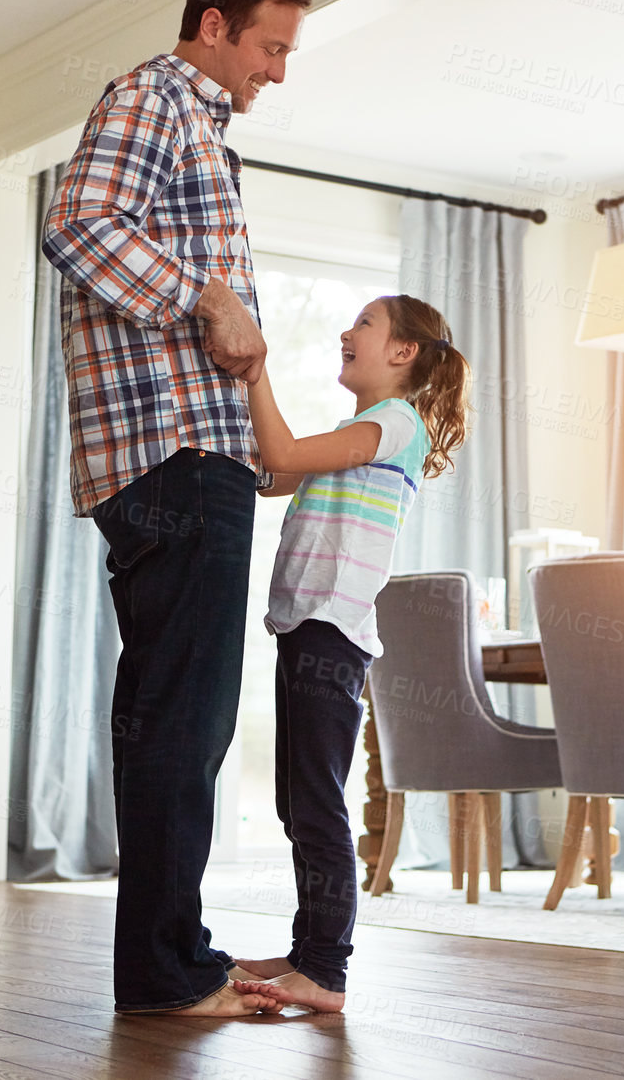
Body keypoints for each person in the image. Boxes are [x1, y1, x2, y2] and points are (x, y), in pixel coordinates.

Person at [39, 0, 310, 1018]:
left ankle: (172, 948)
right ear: (214, 24)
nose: (279, 72)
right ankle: (163, 968)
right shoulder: (155, 95)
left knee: (175, 721)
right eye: (270, 46)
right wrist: (209, 298)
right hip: (172, 459)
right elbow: (78, 226)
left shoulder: (198, 129)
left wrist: (257, 435)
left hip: (193, 454)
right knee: (183, 719)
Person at [228, 295, 471, 1013]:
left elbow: (281, 456)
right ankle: (309, 952)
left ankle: (326, 972)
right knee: (297, 801)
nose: (347, 331)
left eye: (364, 324)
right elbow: (275, 477)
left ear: (402, 353)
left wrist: (256, 368)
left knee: (318, 805)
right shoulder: (362, 430)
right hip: (310, 626)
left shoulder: (394, 423)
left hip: (332, 631)